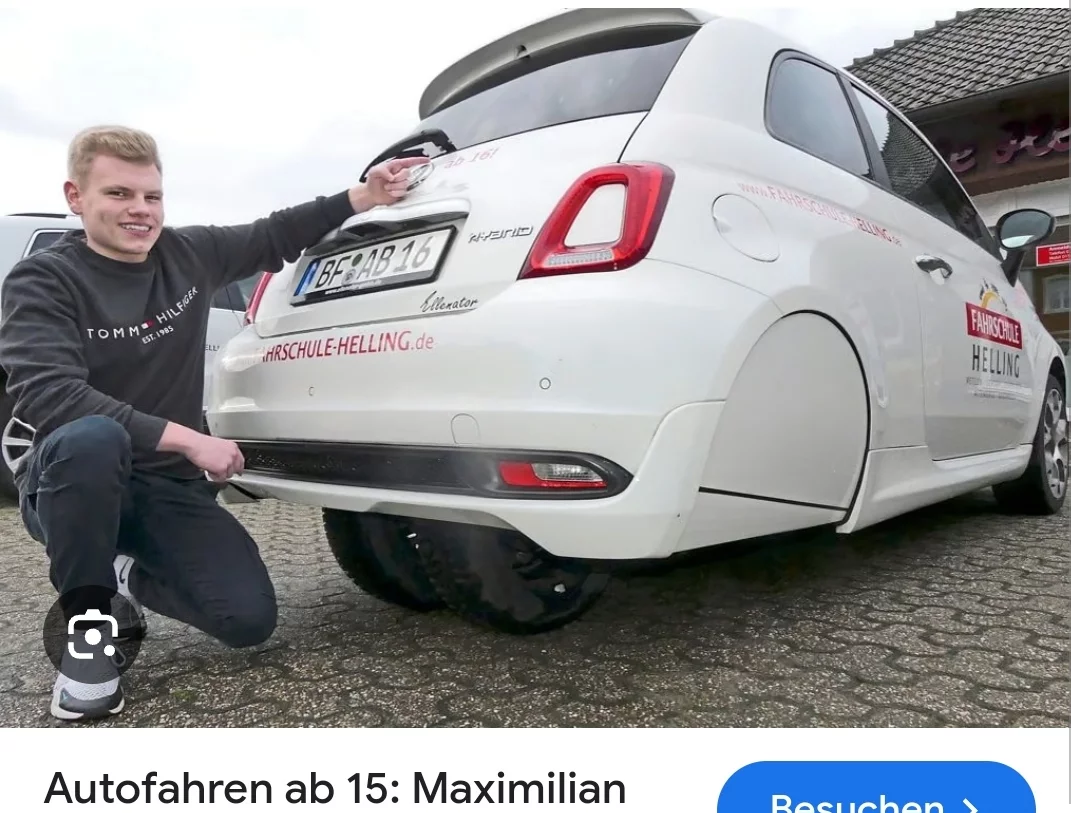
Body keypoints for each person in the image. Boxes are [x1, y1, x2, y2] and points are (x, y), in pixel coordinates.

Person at [0, 124, 429, 722]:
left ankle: (122, 571)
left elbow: (275, 233)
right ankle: (88, 626)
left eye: (151, 196)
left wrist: (365, 195)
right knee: (93, 438)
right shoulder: (42, 280)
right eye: (119, 194)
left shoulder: (188, 254)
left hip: (164, 485)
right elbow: (51, 395)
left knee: (247, 619)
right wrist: (191, 440)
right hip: (75, 481)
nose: (140, 210)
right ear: (76, 197)